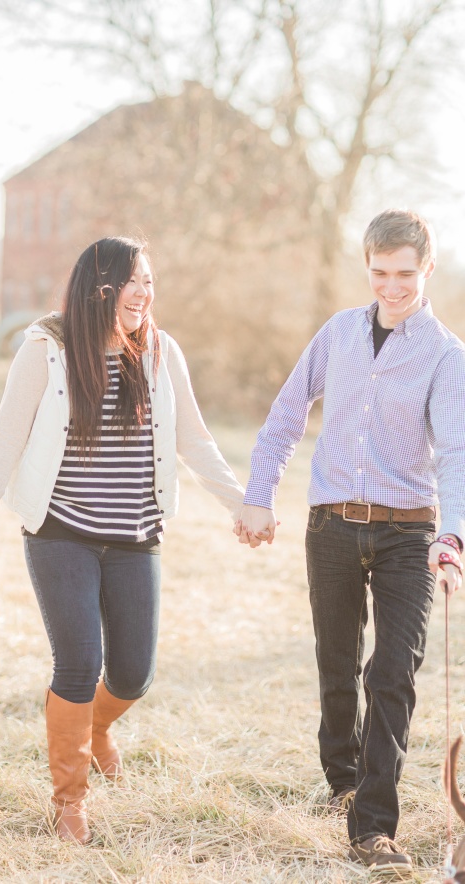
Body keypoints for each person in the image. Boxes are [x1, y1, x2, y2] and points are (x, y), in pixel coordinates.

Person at [0, 236, 244, 844]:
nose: (144, 294)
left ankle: (97, 728)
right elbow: (6, 436)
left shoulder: (162, 353)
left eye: (150, 283)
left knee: (134, 674)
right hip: (61, 532)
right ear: (99, 286)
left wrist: (243, 505)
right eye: (133, 281)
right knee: (79, 662)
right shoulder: (46, 350)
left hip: (136, 533)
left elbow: (194, 439)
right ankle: (69, 800)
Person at [236, 209, 465, 874]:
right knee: (338, 668)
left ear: (427, 269)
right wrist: (259, 493)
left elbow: (455, 452)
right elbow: (285, 415)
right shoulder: (337, 334)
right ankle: (341, 773)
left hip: (407, 534)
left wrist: (452, 535)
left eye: (404, 274)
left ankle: (372, 826)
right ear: (366, 265)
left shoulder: (446, 356)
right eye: (379, 272)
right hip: (331, 526)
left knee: (391, 674)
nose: (391, 287)